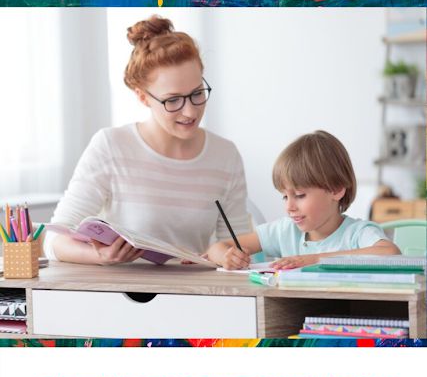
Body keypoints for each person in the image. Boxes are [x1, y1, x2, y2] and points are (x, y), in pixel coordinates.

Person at [45, 15, 250, 265]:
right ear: (143, 97)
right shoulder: (112, 146)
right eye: (173, 100)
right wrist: (100, 256)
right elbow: (53, 240)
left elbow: (240, 242)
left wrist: (228, 255)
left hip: (194, 294)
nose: (190, 111)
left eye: (197, 93)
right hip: (123, 294)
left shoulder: (225, 155)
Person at [207, 130, 400, 270]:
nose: (289, 207)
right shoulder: (285, 231)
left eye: (299, 195)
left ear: (336, 189)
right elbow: (216, 247)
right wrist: (226, 257)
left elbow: (390, 253)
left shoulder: (357, 234)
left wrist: (314, 259)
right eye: (285, 196)